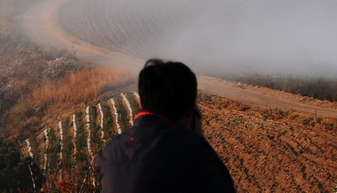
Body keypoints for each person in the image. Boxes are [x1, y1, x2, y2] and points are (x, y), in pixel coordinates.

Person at [95, 59, 236, 193]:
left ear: (141, 104)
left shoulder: (109, 153)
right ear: (190, 108)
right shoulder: (191, 150)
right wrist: (198, 135)